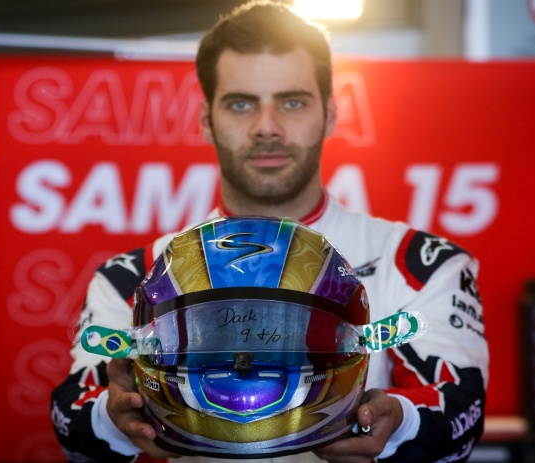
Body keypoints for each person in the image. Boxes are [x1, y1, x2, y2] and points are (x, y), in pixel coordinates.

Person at [51, 2, 488, 462]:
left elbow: (462, 411)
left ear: (331, 115)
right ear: (206, 120)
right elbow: (72, 422)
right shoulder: (129, 278)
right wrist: (112, 416)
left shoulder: (420, 263)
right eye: (241, 104)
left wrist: (400, 419)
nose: (267, 128)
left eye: (292, 102)